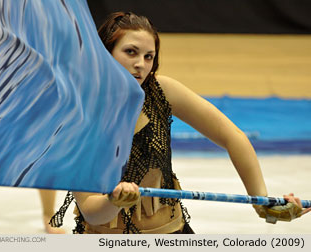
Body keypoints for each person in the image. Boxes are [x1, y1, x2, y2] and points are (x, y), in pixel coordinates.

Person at [50, 12, 310, 234]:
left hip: (173, 234)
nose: (141, 65)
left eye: (149, 57)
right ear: (105, 52)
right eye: (131, 52)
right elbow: (93, 212)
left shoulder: (162, 91)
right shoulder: (78, 115)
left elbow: (233, 137)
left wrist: (261, 201)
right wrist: (113, 201)